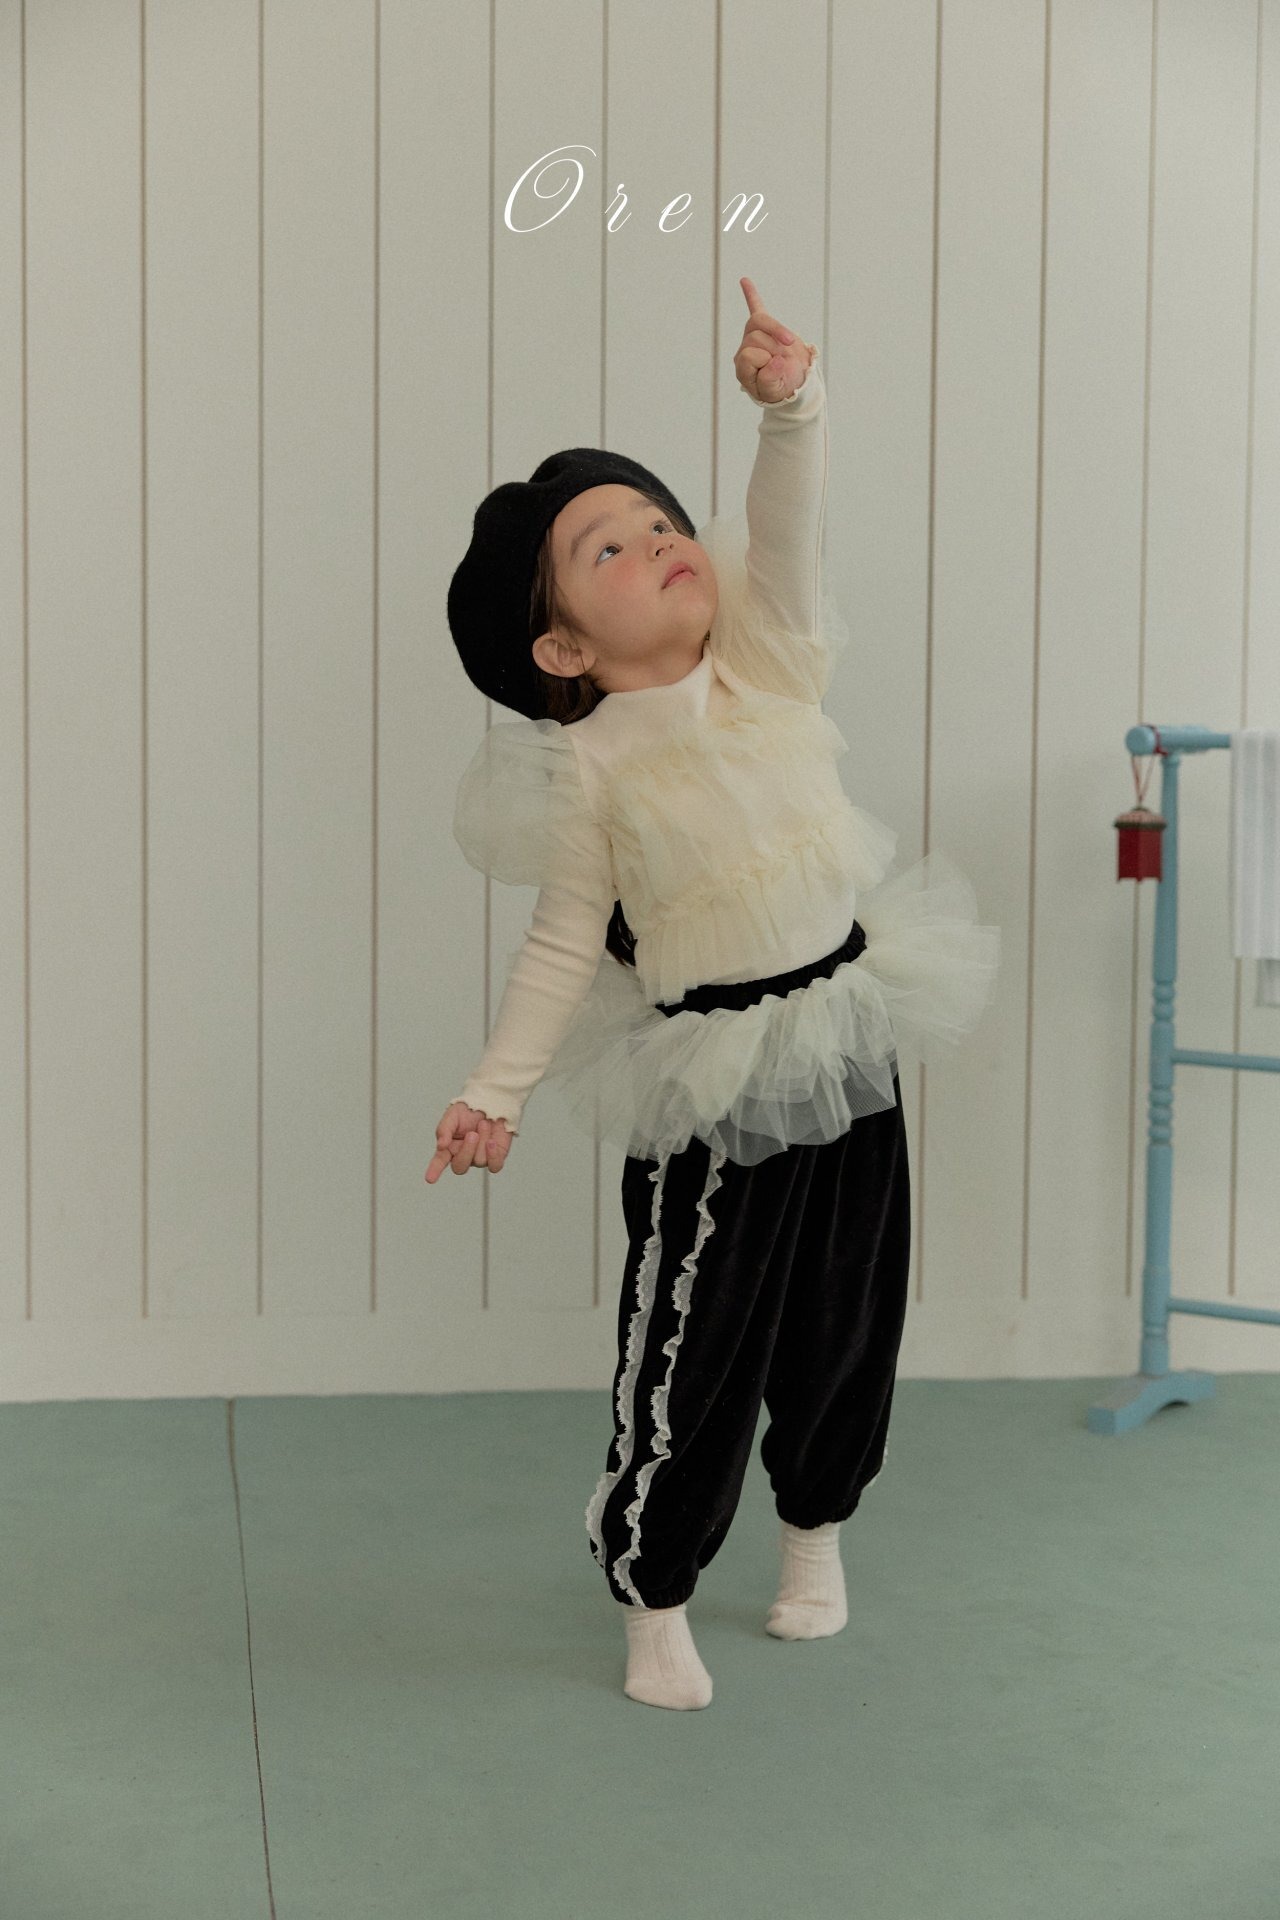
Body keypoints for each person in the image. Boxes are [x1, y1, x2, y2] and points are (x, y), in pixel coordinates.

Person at [431, 277, 1000, 1711]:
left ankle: (816, 1535)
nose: (659, 541)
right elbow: (563, 943)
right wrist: (493, 1090)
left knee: (849, 1309)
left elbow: (786, 533)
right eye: (608, 548)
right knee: (697, 1331)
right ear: (563, 646)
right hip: (712, 1076)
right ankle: (656, 1590)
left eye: (657, 519)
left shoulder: (765, 660)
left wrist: (789, 410)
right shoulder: (591, 768)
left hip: (848, 1028)